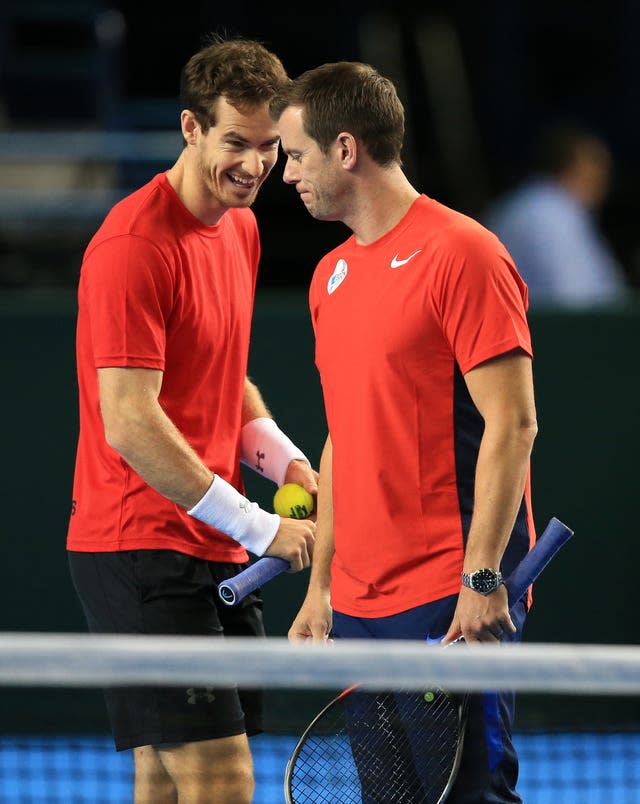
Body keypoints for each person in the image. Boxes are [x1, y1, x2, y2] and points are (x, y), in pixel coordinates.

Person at [271, 61, 538, 803]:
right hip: (357, 606)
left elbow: (513, 424)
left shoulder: (465, 253)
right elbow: (341, 438)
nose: (284, 173)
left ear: (346, 149)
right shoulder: (329, 278)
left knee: (470, 796)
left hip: (447, 595)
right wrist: (321, 584)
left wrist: (483, 578)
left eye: (295, 154)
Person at [66, 35, 318, 804]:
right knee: (224, 784)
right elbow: (130, 424)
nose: (254, 165)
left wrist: (284, 462)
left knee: (166, 784)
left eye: (269, 147)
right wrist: (256, 524)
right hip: (140, 552)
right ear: (189, 128)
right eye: (235, 143)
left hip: (214, 553)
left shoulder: (240, 228)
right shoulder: (134, 247)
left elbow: (220, 372)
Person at [484, 123, 629, 308]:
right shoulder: (553, 213)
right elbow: (576, 302)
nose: (604, 181)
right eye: (597, 167)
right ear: (571, 168)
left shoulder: (521, 203)